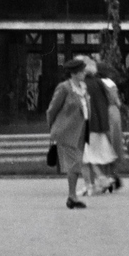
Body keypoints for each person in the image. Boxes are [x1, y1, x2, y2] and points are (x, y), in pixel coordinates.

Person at [46, 60, 90, 207]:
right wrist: (53, 128)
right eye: (82, 71)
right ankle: (72, 197)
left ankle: (72, 196)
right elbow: (52, 110)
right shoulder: (64, 88)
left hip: (80, 131)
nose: (85, 73)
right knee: (75, 163)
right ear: (74, 73)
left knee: (77, 163)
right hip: (66, 131)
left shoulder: (83, 88)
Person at [81, 58, 123, 193]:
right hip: (111, 113)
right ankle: (109, 176)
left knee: (96, 149)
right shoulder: (109, 83)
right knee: (109, 146)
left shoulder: (90, 83)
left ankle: (98, 180)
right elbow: (118, 102)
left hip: (101, 114)